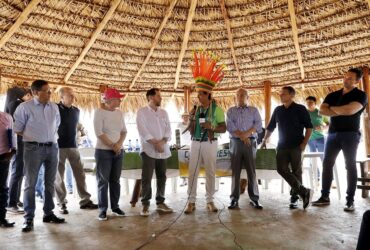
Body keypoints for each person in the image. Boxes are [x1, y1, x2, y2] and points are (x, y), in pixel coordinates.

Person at [312, 68, 368, 212]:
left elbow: (351, 110)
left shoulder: (361, 95)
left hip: (350, 134)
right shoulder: (333, 94)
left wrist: (333, 109)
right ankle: (325, 197)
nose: (346, 79)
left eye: (350, 78)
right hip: (332, 134)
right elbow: (322, 111)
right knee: (327, 164)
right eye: (345, 77)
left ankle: (350, 201)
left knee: (350, 166)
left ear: (357, 81)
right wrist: (342, 110)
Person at [14, 80, 65, 232]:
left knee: (50, 182)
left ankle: (48, 213)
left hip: (53, 148)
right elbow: (18, 128)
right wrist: (33, 136)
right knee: (30, 183)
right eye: (46, 91)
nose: (50, 93)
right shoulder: (24, 107)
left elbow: (56, 125)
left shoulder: (54, 107)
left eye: (50, 91)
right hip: (33, 149)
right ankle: (28, 218)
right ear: (35, 92)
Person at [185, 50, 226, 214]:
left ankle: (210, 201)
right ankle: (191, 202)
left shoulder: (217, 110)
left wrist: (212, 127)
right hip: (195, 143)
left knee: (210, 172)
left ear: (208, 94)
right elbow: (190, 127)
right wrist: (191, 119)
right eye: (197, 94)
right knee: (192, 173)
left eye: (200, 94)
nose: (198, 96)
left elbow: (224, 128)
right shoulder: (195, 109)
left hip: (210, 143)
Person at [261, 86, 313, 210]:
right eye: (280, 93)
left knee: (296, 171)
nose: (281, 95)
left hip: (296, 146)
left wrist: (304, 144)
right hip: (282, 146)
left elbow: (309, 127)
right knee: (281, 169)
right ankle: (304, 191)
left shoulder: (300, 109)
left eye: (283, 94)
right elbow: (270, 127)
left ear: (291, 95)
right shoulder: (278, 110)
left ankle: (295, 198)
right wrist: (264, 141)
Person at [54, 87, 98, 215]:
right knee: (59, 177)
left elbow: (76, 126)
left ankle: (85, 201)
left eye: (73, 95)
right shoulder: (55, 109)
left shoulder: (76, 110)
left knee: (80, 174)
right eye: (70, 95)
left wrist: (81, 134)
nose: (73, 97)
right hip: (58, 147)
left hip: (73, 146)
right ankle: (61, 203)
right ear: (61, 97)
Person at [136, 88, 173, 217]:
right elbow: (142, 131)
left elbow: (169, 130)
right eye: (158, 96)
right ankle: (145, 204)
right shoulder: (142, 112)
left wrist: (161, 143)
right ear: (151, 97)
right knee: (147, 177)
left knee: (162, 176)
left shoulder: (164, 112)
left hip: (162, 149)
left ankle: (160, 202)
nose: (160, 98)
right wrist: (155, 143)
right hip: (148, 150)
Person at [226, 88, 263, 210]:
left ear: (248, 97)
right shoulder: (231, 111)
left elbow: (258, 125)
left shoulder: (253, 110)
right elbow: (230, 126)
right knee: (235, 172)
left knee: (251, 172)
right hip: (235, 143)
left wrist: (246, 135)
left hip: (250, 142)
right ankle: (234, 199)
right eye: (238, 95)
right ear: (235, 97)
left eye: (243, 95)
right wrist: (243, 136)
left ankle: (255, 199)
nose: (240, 97)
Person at [94, 88, 127, 221]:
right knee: (103, 181)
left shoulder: (119, 113)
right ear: (110, 100)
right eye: (118, 98)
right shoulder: (99, 112)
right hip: (103, 151)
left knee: (115, 180)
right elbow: (99, 132)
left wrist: (118, 145)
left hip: (118, 151)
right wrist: (113, 145)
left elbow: (124, 131)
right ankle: (102, 210)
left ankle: (115, 207)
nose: (120, 100)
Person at [7, 88, 32, 213]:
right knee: (17, 172)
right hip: (18, 141)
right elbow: (16, 125)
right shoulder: (16, 104)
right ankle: (11, 203)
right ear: (27, 95)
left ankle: (15, 199)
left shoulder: (17, 104)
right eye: (30, 96)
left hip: (21, 141)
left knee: (20, 171)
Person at [0, 111, 16, 227]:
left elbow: (13, 137)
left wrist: (10, 155)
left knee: (3, 189)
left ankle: (2, 218)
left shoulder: (6, 117)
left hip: (3, 158)